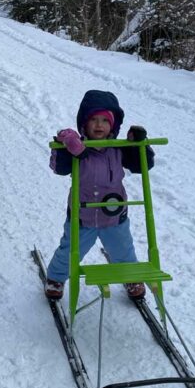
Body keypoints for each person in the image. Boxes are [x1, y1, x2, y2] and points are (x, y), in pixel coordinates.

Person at [45, 89, 154, 301]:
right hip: (82, 216)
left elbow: (143, 164)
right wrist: (65, 141)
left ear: (112, 125)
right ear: (84, 123)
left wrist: (140, 144)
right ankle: (56, 277)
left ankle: (130, 276)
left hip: (114, 215)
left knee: (123, 250)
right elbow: (59, 168)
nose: (99, 125)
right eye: (93, 119)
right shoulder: (78, 147)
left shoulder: (117, 148)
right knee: (70, 251)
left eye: (105, 120)